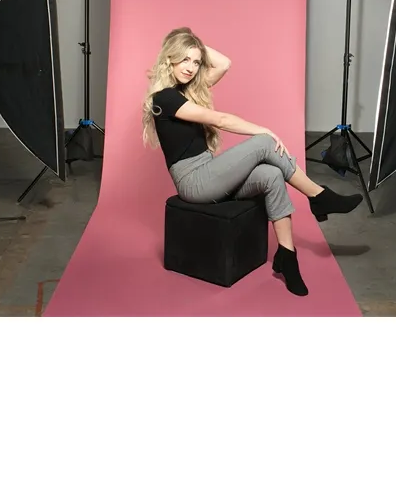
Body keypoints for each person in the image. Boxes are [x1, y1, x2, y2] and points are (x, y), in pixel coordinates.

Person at [142, 28, 363, 297]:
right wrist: (263, 130)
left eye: (196, 62)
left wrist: (194, 42)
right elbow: (220, 120)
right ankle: (319, 196)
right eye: (184, 59)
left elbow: (224, 64)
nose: (191, 67)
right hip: (194, 182)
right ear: (170, 58)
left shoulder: (186, 91)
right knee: (264, 143)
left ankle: (287, 256)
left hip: (210, 173)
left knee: (271, 175)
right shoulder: (165, 98)